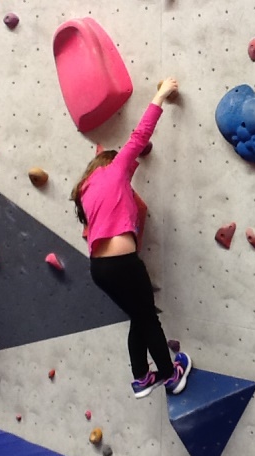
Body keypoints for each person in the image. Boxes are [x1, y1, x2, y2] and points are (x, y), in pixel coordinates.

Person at [70, 77, 191, 399]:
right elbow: (140, 136)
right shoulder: (114, 169)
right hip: (123, 264)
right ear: (110, 162)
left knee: (139, 317)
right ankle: (169, 374)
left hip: (100, 270)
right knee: (147, 317)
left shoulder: (86, 190)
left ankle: (141, 377)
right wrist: (161, 95)